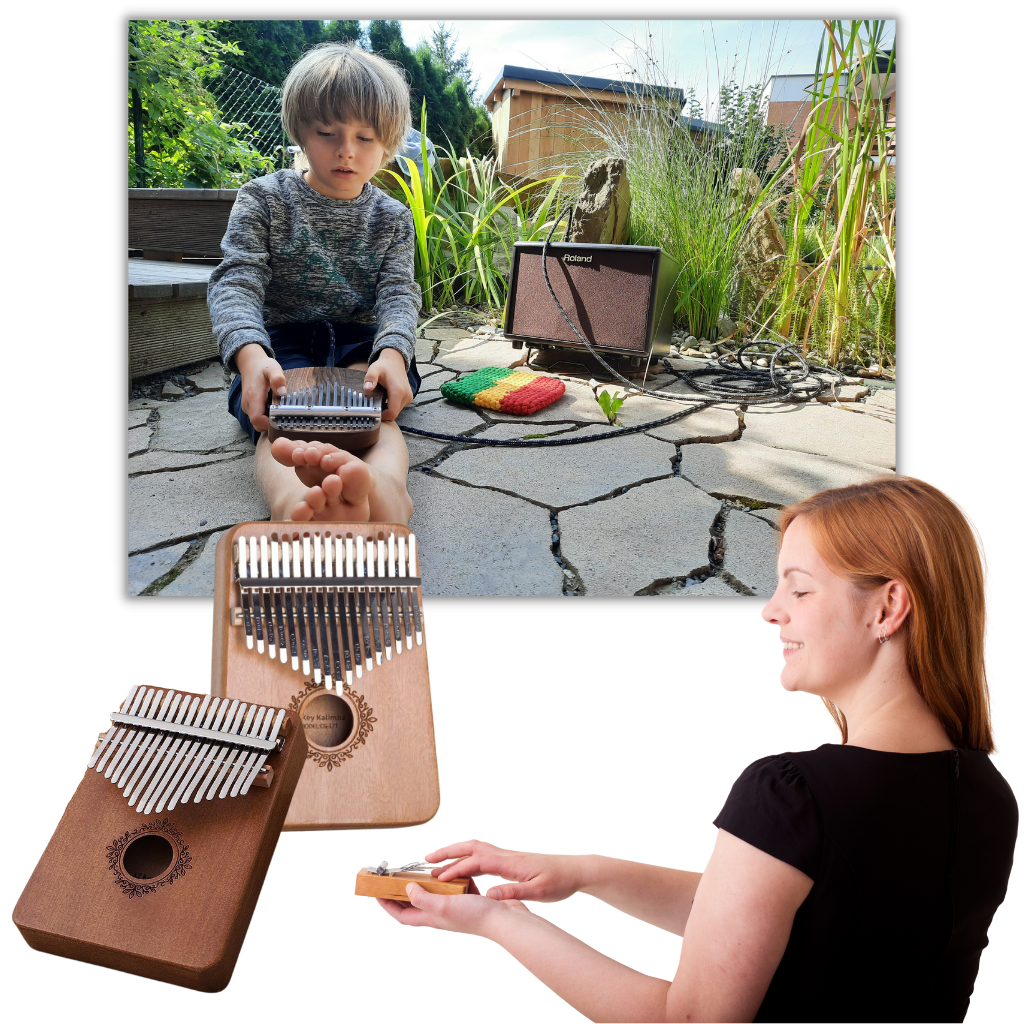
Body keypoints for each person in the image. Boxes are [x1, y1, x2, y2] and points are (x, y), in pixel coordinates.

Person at [376, 476, 1016, 1023]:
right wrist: (586, 875)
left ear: (888, 608)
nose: (771, 612)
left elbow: (692, 1019)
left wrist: (496, 922)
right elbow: (791, 919)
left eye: (799, 589)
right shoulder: (988, 796)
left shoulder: (792, 792)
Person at [207, 42, 421, 523]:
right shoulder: (262, 200)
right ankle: (291, 502)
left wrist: (393, 352)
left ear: (387, 145)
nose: (347, 149)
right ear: (300, 131)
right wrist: (250, 354)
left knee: (375, 409)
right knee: (280, 419)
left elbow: (398, 292)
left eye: (366, 138)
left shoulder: (392, 218)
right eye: (328, 132)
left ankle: (386, 491)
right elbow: (235, 280)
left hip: (358, 342)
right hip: (280, 343)